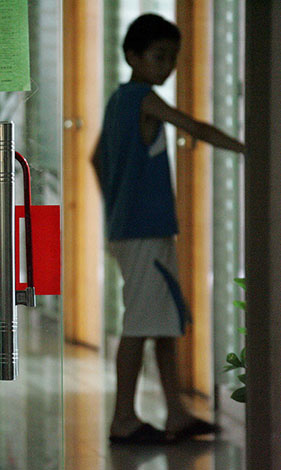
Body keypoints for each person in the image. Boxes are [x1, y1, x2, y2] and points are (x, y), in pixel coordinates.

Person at [91, 13, 245, 445]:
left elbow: (95, 159)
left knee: (161, 324)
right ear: (132, 56)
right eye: (160, 56)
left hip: (132, 228)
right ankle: (124, 419)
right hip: (145, 230)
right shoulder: (142, 96)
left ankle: (176, 414)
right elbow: (194, 127)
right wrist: (251, 149)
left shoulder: (118, 100)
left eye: (173, 58)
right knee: (141, 324)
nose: (169, 66)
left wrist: (116, 208)